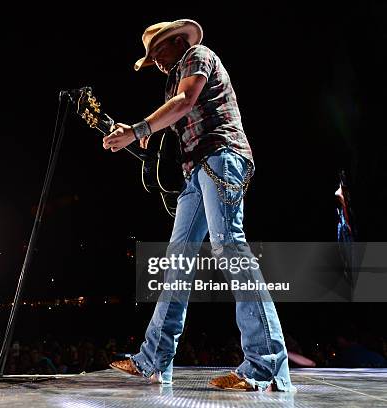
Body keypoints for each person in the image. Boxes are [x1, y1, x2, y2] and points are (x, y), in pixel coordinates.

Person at [104, 19, 295, 391]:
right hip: (196, 171)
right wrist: (143, 136)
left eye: (159, 51)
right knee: (177, 260)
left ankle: (266, 365)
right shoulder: (172, 79)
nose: (156, 62)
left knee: (229, 246)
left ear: (178, 41)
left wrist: (140, 129)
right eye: (151, 57)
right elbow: (174, 117)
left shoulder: (197, 56)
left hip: (222, 157)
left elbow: (186, 101)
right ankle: (154, 360)